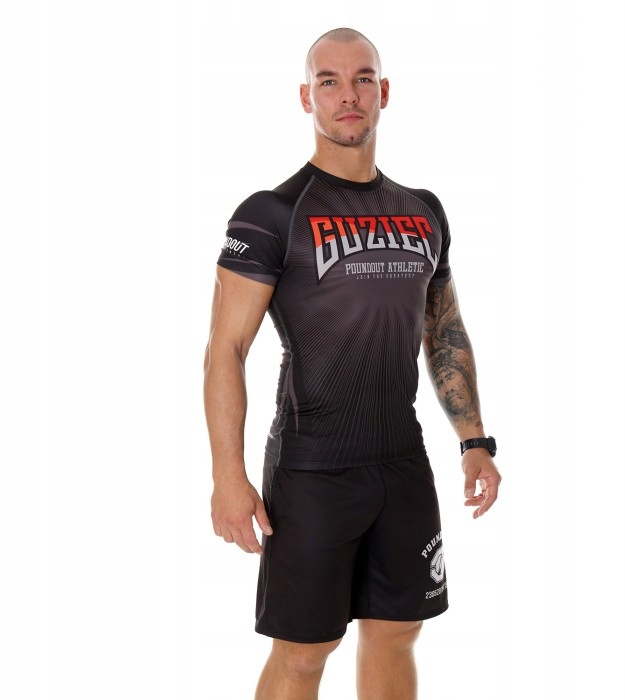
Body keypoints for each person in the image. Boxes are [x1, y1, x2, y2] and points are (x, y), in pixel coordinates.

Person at [203, 27, 502, 700]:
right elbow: (225, 349)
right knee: (304, 652)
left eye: (363, 78)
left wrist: (474, 441)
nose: (348, 95)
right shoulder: (271, 214)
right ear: (306, 96)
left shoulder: (422, 211)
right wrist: (228, 476)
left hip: (402, 463)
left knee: (397, 631)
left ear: (383, 92)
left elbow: (443, 328)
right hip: (312, 470)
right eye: (329, 81)